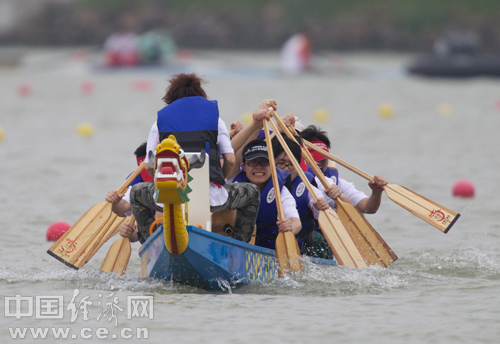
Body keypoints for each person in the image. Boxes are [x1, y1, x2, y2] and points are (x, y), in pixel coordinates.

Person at [131, 73, 261, 244]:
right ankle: (239, 244)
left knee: (136, 193)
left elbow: (148, 166)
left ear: (171, 98)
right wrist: (218, 180)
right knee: (252, 194)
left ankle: (151, 242)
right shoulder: (216, 120)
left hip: (168, 199)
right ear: (200, 96)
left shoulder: (159, 122)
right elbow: (230, 159)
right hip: (212, 198)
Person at [300, 125, 388, 214]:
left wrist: (376, 192)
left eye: (323, 159)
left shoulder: (336, 181)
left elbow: (368, 208)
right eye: (315, 159)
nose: (320, 163)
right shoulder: (294, 179)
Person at [231, 139, 301, 250]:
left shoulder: (280, 192)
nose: (259, 167)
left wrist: (290, 226)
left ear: (272, 166)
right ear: (243, 166)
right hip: (238, 248)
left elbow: (296, 221)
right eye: (253, 162)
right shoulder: (233, 184)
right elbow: (229, 155)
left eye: (264, 162)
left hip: (271, 251)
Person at [271, 134, 332, 256]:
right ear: (271, 164)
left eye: (292, 164)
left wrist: (322, 206)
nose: (287, 169)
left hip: (302, 251)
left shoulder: (308, 187)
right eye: (281, 163)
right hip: (264, 245)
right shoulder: (261, 184)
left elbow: (324, 214)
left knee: (318, 239)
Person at [105, 142, 154, 243]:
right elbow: (122, 208)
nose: (150, 181)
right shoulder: (137, 181)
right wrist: (115, 201)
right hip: (155, 233)